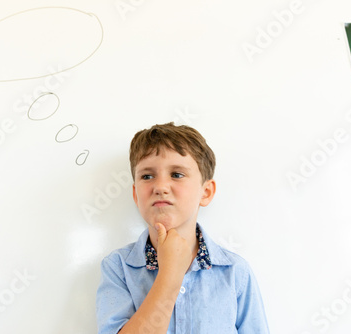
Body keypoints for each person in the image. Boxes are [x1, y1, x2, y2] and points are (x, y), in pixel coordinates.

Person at [96, 122, 269, 333]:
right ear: (135, 194)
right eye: (147, 176)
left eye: (177, 174)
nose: (160, 187)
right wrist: (170, 274)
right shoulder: (119, 268)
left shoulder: (235, 272)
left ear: (205, 192)